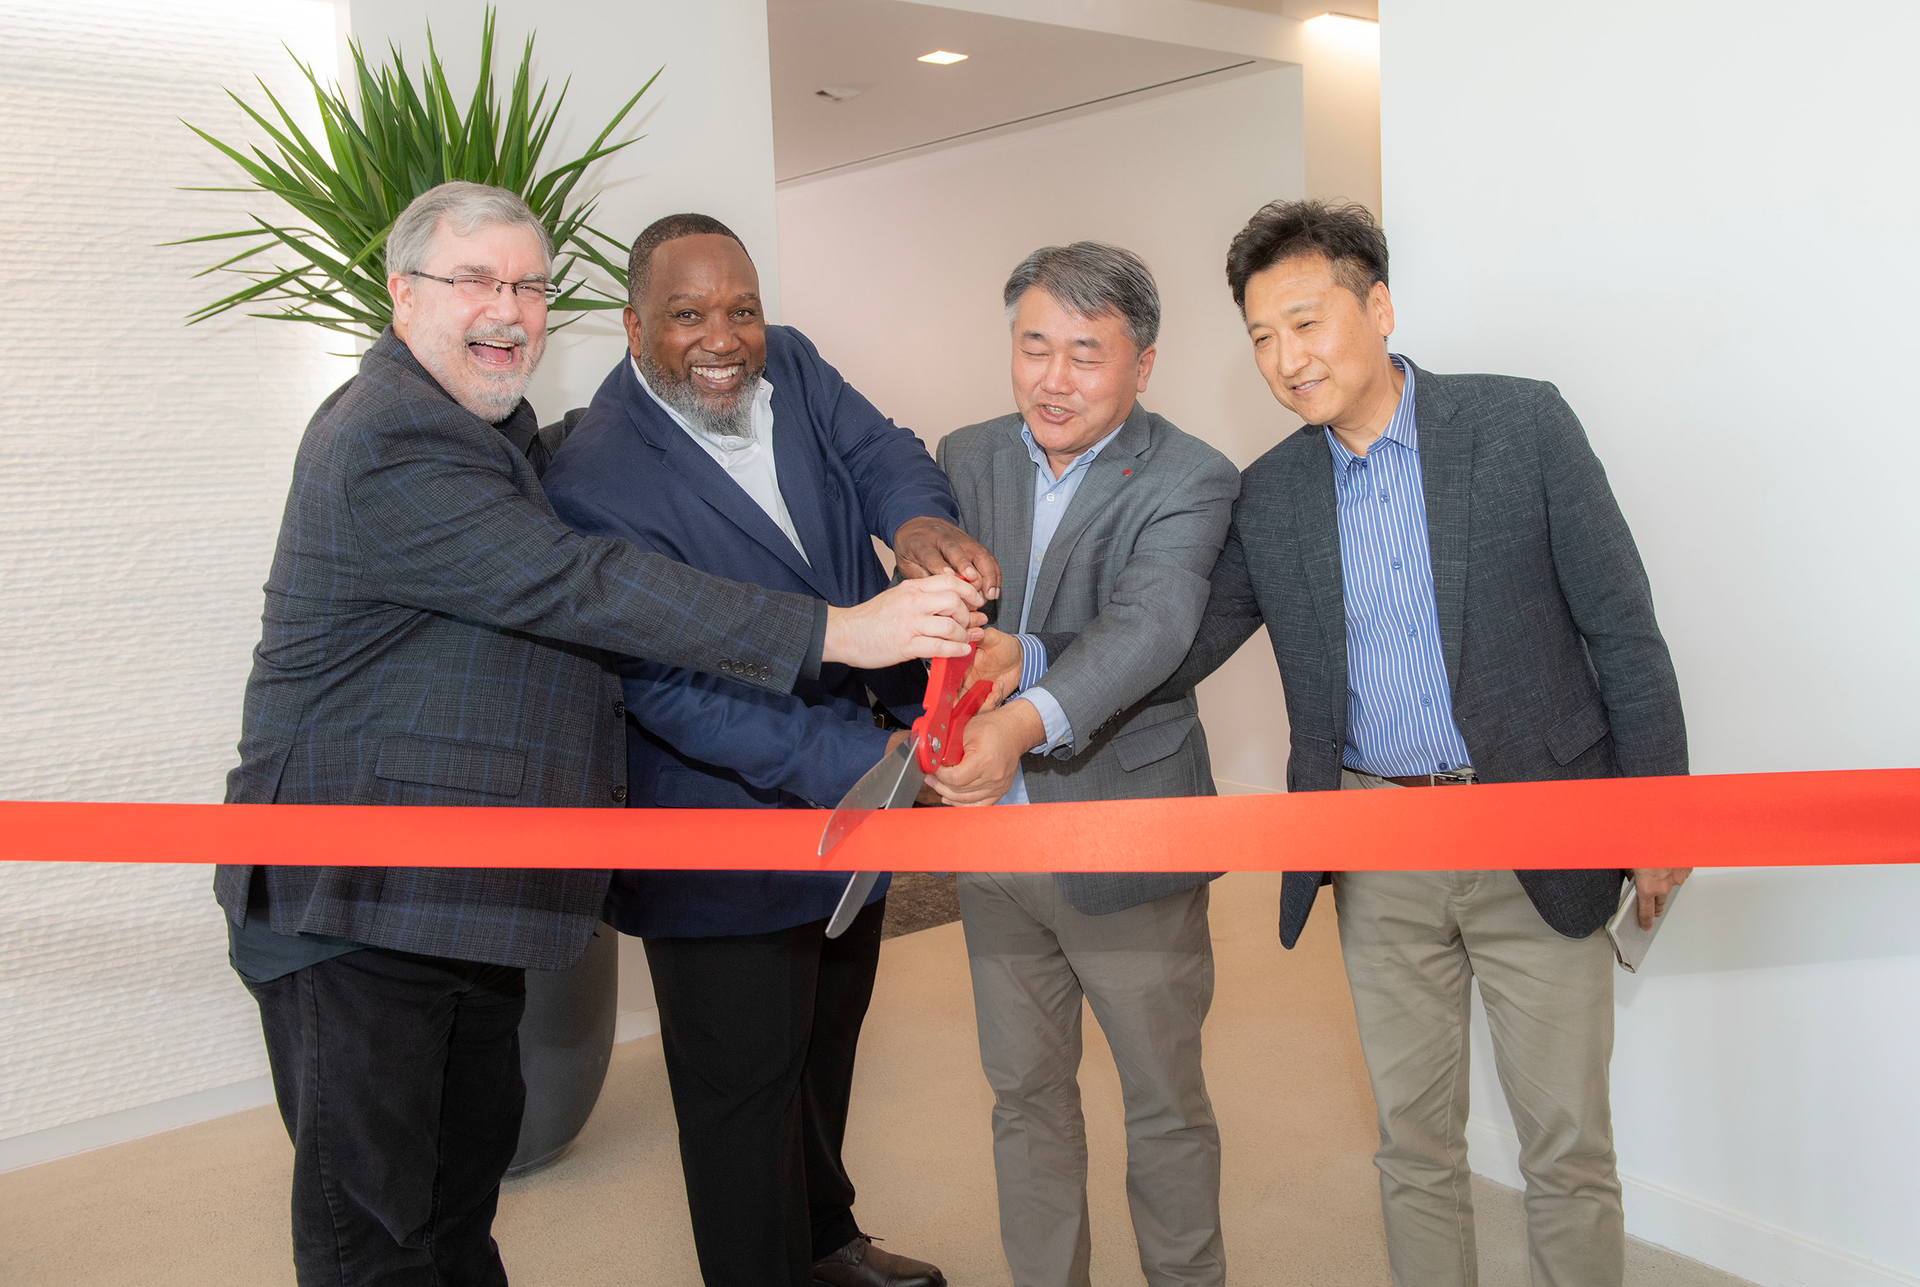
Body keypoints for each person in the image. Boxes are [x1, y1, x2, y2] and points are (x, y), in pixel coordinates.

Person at [218, 182, 985, 1287]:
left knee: (449, 1217)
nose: (507, 308)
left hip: (458, 901)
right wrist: (844, 634)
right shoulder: (388, 438)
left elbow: (857, 455)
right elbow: (586, 587)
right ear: (400, 295)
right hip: (355, 905)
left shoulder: (497, 433)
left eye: (527, 284)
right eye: (473, 281)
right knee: (377, 1239)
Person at [1156, 199, 1691, 1287]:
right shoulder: (1271, 495)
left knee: (1568, 1149)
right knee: (1414, 1147)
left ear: (1380, 306)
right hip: (1377, 849)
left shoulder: (1521, 426)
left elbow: (1622, 629)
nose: (1285, 359)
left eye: (1306, 323)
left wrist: (1659, 817)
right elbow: (1180, 644)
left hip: (1537, 830)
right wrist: (1031, 675)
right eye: (1261, 337)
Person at [540, 213, 972, 1287]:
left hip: (851, 820)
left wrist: (915, 522)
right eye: (688, 315)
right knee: (742, 1099)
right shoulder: (594, 475)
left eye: (741, 309)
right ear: (635, 327)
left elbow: (886, 453)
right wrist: (860, 768)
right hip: (722, 838)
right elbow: (666, 690)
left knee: (825, 1056)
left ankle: (829, 1240)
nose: (722, 337)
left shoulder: (797, 365)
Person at [928, 242, 1240, 1287]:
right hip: (990, 846)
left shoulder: (1190, 475)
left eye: (1086, 355)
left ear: (1142, 365)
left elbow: (1148, 630)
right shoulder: (964, 457)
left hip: (1127, 837)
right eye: (1034, 347)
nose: (1054, 379)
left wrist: (1017, 721)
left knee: (1162, 1104)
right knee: (1024, 1098)